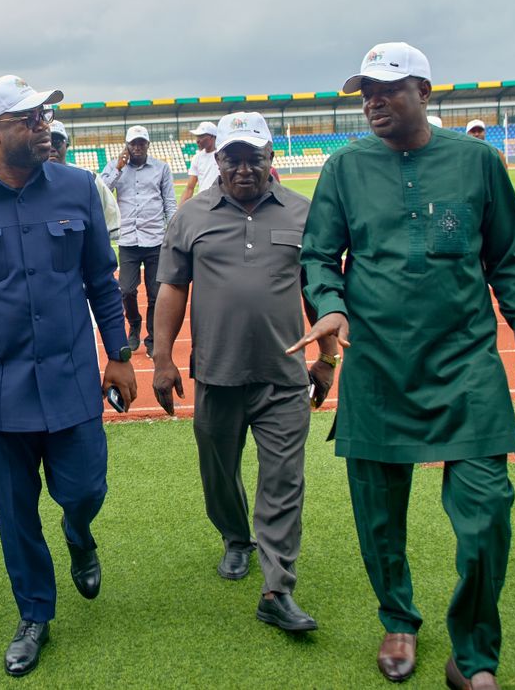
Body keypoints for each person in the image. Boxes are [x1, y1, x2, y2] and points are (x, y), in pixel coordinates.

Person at [288, 42, 515, 690]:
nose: (374, 102)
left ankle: (473, 656)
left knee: (486, 512)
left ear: (426, 92)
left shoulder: (477, 163)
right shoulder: (344, 167)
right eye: (366, 93)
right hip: (377, 365)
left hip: (465, 365)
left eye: (388, 89)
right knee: (379, 514)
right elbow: (320, 257)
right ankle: (398, 619)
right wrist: (330, 306)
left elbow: (506, 257)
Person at [0, 74, 136, 678]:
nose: (44, 125)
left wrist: (118, 352)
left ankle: (79, 532)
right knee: (15, 512)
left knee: (85, 489)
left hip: (72, 380)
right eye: (30, 118)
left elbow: (101, 278)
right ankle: (35, 613)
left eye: (44, 116)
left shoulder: (78, 188)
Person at [153, 111, 337, 635]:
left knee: (284, 480)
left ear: (270, 159)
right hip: (217, 375)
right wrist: (163, 361)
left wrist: (326, 358)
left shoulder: (305, 213)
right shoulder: (190, 216)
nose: (241, 169)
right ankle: (236, 537)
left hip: (283, 378)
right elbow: (171, 288)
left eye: (252, 158)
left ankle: (277, 587)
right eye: (231, 158)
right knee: (218, 474)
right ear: (217, 160)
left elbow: (319, 292)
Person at [100, 125, 177, 357]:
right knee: (126, 290)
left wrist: (172, 232)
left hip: (155, 239)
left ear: (148, 145)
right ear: (127, 146)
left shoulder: (161, 168)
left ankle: (152, 338)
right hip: (128, 240)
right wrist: (119, 168)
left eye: (141, 143)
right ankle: (134, 324)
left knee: (156, 293)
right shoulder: (115, 167)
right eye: (133, 143)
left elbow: (169, 202)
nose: (137, 147)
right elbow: (102, 192)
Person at [49, 118, 120, 241]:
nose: (52, 148)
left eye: (57, 141)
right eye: (47, 141)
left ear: (67, 145)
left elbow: (109, 209)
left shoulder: (88, 177)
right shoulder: (27, 180)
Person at [180, 120, 219, 202]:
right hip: (204, 203)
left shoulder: (223, 155)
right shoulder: (197, 158)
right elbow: (190, 188)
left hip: (221, 202)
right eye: (197, 136)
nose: (197, 140)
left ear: (212, 137)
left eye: (201, 136)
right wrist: (179, 211)